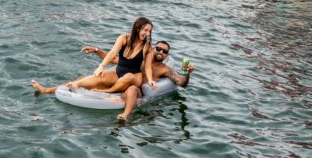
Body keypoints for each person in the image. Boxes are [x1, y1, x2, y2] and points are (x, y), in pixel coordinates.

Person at [32, 40, 195, 121]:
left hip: (135, 88)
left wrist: (188, 74)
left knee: (131, 89)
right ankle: (47, 90)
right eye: (158, 48)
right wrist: (97, 50)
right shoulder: (141, 60)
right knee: (85, 79)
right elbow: (115, 60)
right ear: (152, 49)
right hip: (120, 80)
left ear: (166, 55)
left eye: (164, 51)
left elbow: (181, 82)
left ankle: (125, 115)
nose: (160, 52)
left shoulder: (165, 69)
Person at [32, 17, 155, 96]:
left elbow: (148, 67)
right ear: (138, 28)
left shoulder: (147, 46)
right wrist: (101, 67)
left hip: (135, 76)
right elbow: (112, 54)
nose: (147, 34)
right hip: (118, 73)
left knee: (127, 77)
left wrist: (149, 80)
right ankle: (48, 90)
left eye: (149, 31)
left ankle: (106, 91)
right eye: (145, 30)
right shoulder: (124, 38)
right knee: (92, 78)